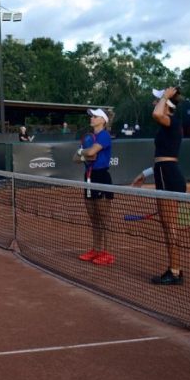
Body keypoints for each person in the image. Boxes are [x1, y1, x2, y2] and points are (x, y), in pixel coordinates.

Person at [150, 86, 187, 286]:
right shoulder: (168, 125)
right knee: (167, 225)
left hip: (168, 176)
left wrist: (164, 97)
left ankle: (174, 271)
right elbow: (163, 156)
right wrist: (145, 173)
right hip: (165, 172)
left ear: (168, 105)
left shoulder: (170, 121)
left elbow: (156, 113)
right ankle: (175, 268)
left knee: (170, 226)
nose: (154, 103)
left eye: (158, 100)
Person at [75, 108, 115, 266]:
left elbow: (91, 153)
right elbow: (76, 158)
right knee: (94, 218)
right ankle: (96, 249)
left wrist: (83, 153)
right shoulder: (88, 138)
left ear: (103, 120)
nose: (92, 118)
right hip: (88, 178)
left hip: (101, 177)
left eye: (95, 116)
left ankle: (107, 252)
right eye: (92, 116)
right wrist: (85, 153)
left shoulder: (104, 135)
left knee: (103, 218)